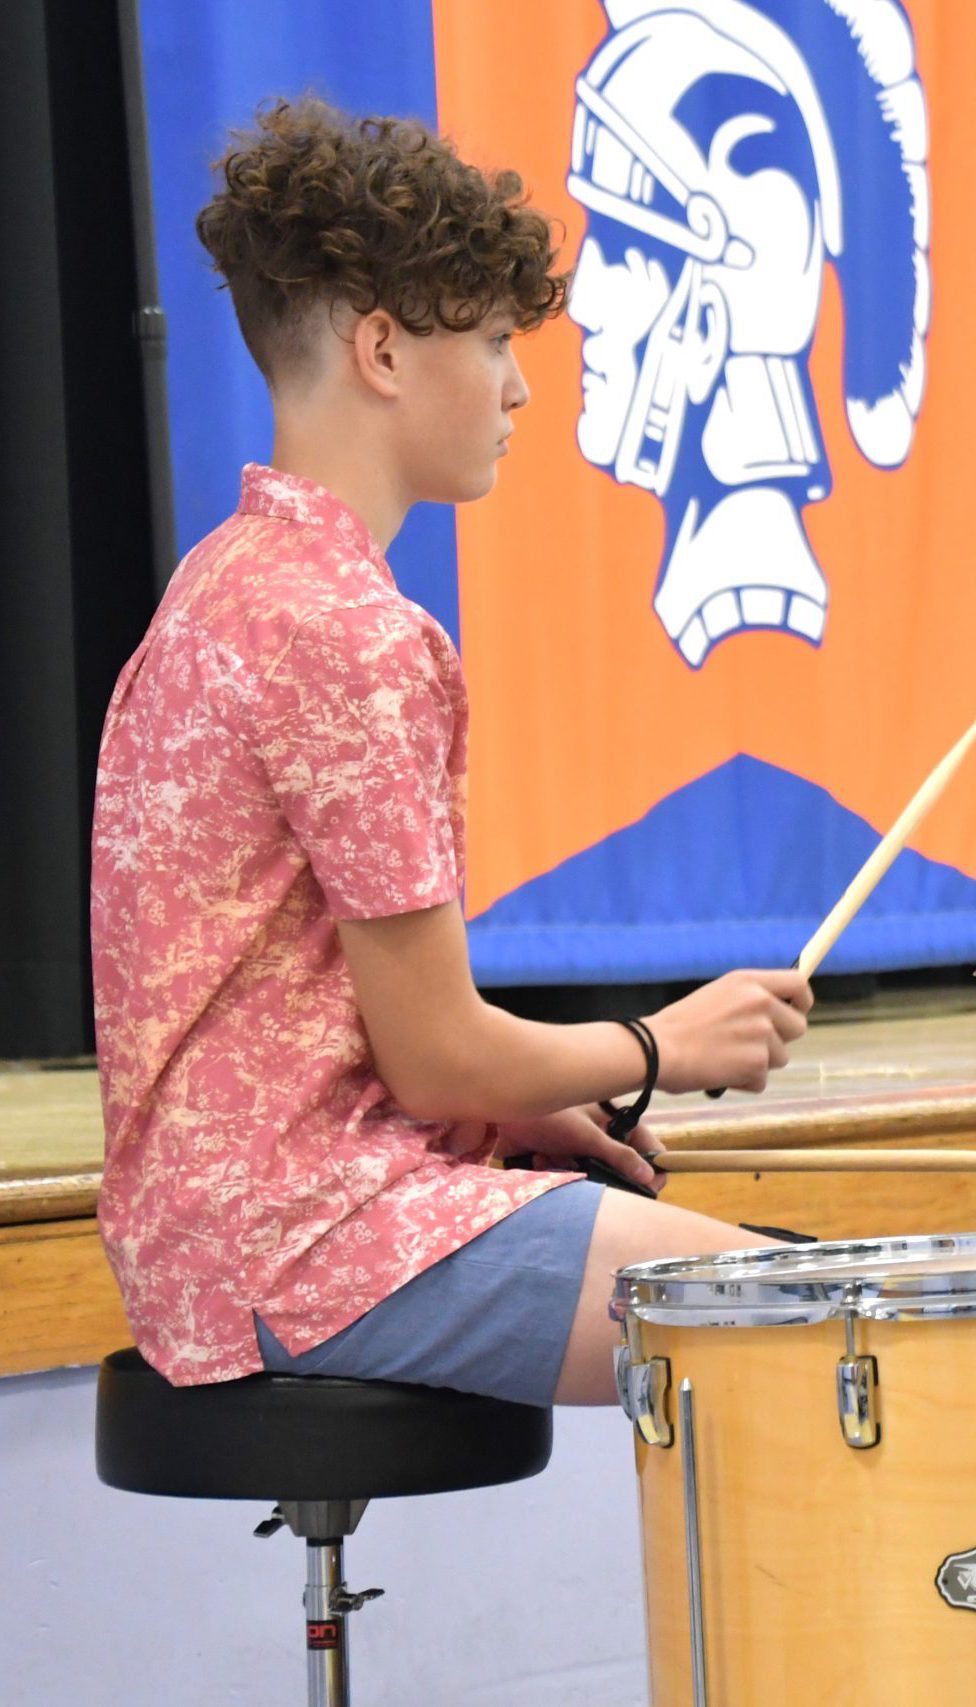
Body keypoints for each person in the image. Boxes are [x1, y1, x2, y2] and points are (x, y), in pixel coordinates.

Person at [89, 97, 803, 1410]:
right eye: (488, 339)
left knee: (794, 1301)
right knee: (824, 1333)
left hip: (200, 1238)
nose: (520, 384)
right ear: (381, 349)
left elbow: (327, 1020)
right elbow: (438, 1061)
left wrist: (524, 1107)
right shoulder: (347, 633)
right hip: (306, 1244)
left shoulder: (227, 580)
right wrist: (661, 1043)